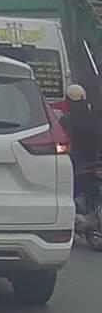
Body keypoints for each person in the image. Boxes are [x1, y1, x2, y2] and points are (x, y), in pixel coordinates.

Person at [61, 83, 101, 216]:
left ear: (68, 100)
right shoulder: (95, 118)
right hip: (94, 164)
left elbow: (64, 143)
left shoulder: (66, 120)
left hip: (76, 166)